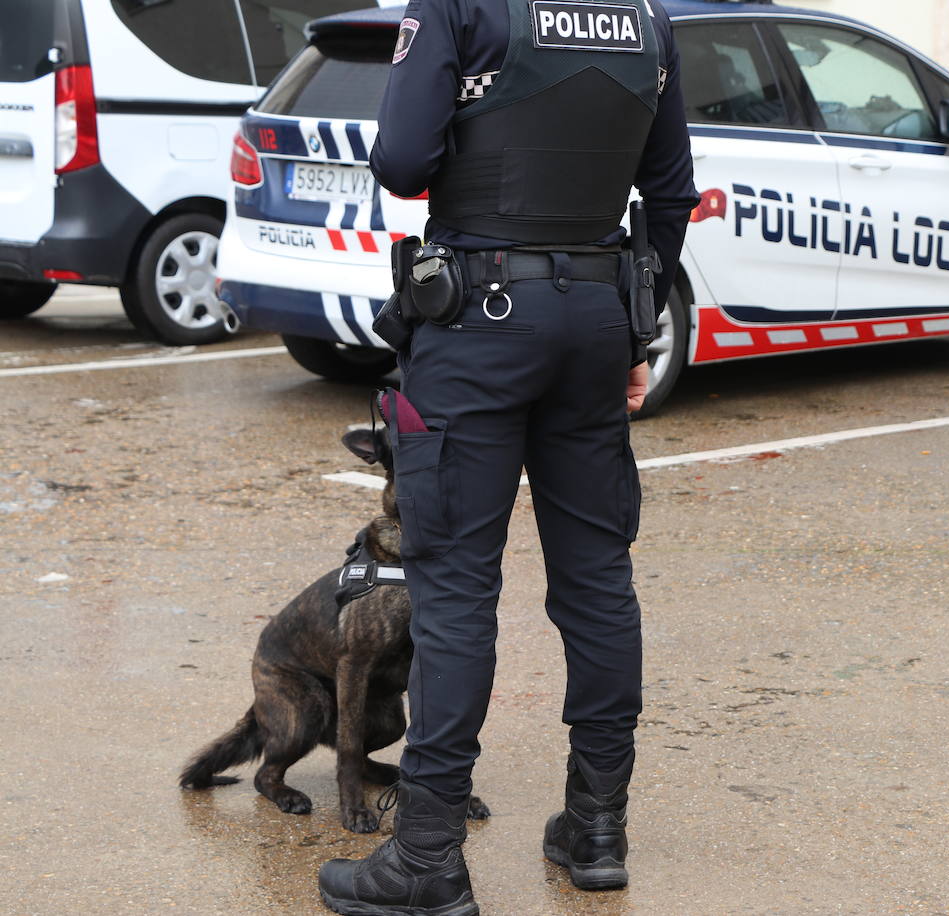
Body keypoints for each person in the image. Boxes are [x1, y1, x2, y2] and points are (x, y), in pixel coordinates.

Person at [317, 0, 698, 913]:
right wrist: (633, 335)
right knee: (599, 579)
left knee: (452, 587)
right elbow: (672, 190)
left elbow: (403, 162)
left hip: (480, 318)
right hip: (595, 319)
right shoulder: (646, 19)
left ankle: (427, 859)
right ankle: (597, 828)